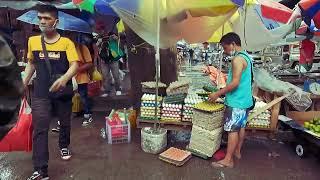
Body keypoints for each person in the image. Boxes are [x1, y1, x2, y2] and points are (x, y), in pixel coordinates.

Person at [23, 5, 79, 179]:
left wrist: (64, 79)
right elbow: (31, 63)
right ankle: (41, 170)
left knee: (64, 122)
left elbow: (75, 65)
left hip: (62, 92)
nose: (42, 21)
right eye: (40, 17)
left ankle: (64, 145)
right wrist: (23, 82)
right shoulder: (33, 41)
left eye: (46, 18)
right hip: (41, 92)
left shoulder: (67, 43)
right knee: (40, 130)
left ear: (56, 22)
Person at [208, 32, 253, 168]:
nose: (224, 51)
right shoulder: (247, 57)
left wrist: (218, 93)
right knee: (241, 127)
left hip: (236, 101)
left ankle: (228, 160)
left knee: (232, 130)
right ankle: (237, 152)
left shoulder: (237, 59)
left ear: (233, 44)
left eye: (225, 47)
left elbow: (235, 83)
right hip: (245, 101)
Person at [99, 32, 124, 97]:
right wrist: (100, 40)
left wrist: (115, 38)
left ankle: (118, 89)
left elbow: (119, 42)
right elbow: (97, 46)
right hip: (104, 60)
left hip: (113, 60)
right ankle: (107, 90)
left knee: (116, 75)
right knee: (105, 76)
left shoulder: (112, 37)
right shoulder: (100, 37)